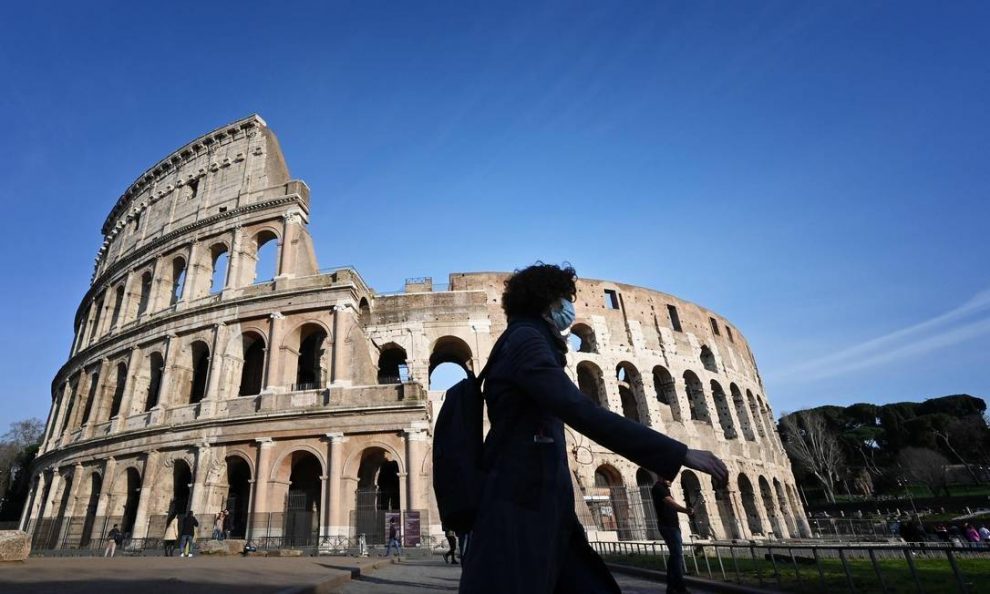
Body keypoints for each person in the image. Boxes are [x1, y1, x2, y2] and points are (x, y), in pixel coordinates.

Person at [457, 263, 728, 594]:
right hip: (522, 505)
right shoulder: (527, 340)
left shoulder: (523, 339)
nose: (569, 308)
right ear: (547, 301)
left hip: (539, 504)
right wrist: (679, 452)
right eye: (564, 299)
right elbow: (579, 409)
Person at [651, 478, 695, 594]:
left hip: (672, 526)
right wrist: (686, 510)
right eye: (669, 478)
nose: (671, 480)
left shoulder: (664, 488)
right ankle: (679, 587)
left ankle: (671, 587)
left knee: (675, 556)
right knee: (677, 556)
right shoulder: (658, 488)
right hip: (668, 526)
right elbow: (671, 503)